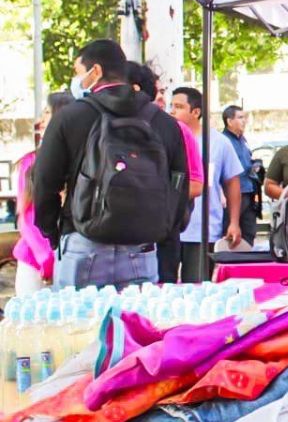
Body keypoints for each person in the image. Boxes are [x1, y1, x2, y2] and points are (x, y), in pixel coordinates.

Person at [34, 40, 191, 289]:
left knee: (79, 327)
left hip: (82, 242)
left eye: (78, 72)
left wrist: (53, 233)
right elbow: (180, 184)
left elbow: (43, 182)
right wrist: (163, 229)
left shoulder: (70, 117)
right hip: (143, 249)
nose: (78, 80)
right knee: (135, 326)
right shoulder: (164, 123)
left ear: (95, 71)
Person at [127, 62, 203, 283]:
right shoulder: (104, 123)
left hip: (161, 235)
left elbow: (195, 184)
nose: (161, 99)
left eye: (162, 92)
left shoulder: (177, 129)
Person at [170, 86, 243, 283]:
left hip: (203, 230)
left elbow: (232, 183)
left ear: (196, 112)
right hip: (168, 228)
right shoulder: (166, 138)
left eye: (178, 106)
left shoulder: (218, 143)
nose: (172, 111)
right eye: (171, 106)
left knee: (197, 286)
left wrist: (234, 222)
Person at [12, 92, 73, 295]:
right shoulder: (30, 162)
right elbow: (26, 216)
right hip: (35, 260)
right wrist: (45, 258)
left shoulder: (80, 160)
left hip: (71, 258)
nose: (41, 120)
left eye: (47, 112)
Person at [222, 105, 260, 246]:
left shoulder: (243, 140)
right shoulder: (224, 141)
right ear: (229, 121)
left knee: (248, 233)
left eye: (245, 117)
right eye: (240, 117)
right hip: (232, 194)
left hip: (248, 192)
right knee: (229, 233)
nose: (244, 121)